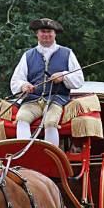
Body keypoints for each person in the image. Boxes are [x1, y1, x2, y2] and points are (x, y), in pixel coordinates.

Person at [10, 18, 84, 146]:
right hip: (33, 101)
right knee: (21, 118)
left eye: (49, 31)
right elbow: (16, 80)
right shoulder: (28, 55)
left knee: (50, 122)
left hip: (56, 100)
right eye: (42, 31)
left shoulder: (67, 53)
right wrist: (24, 85)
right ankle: (25, 158)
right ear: (37, 34)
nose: (46, 34)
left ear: (55, 34)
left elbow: (79, 79)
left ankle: (51, 159)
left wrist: (63, 76)